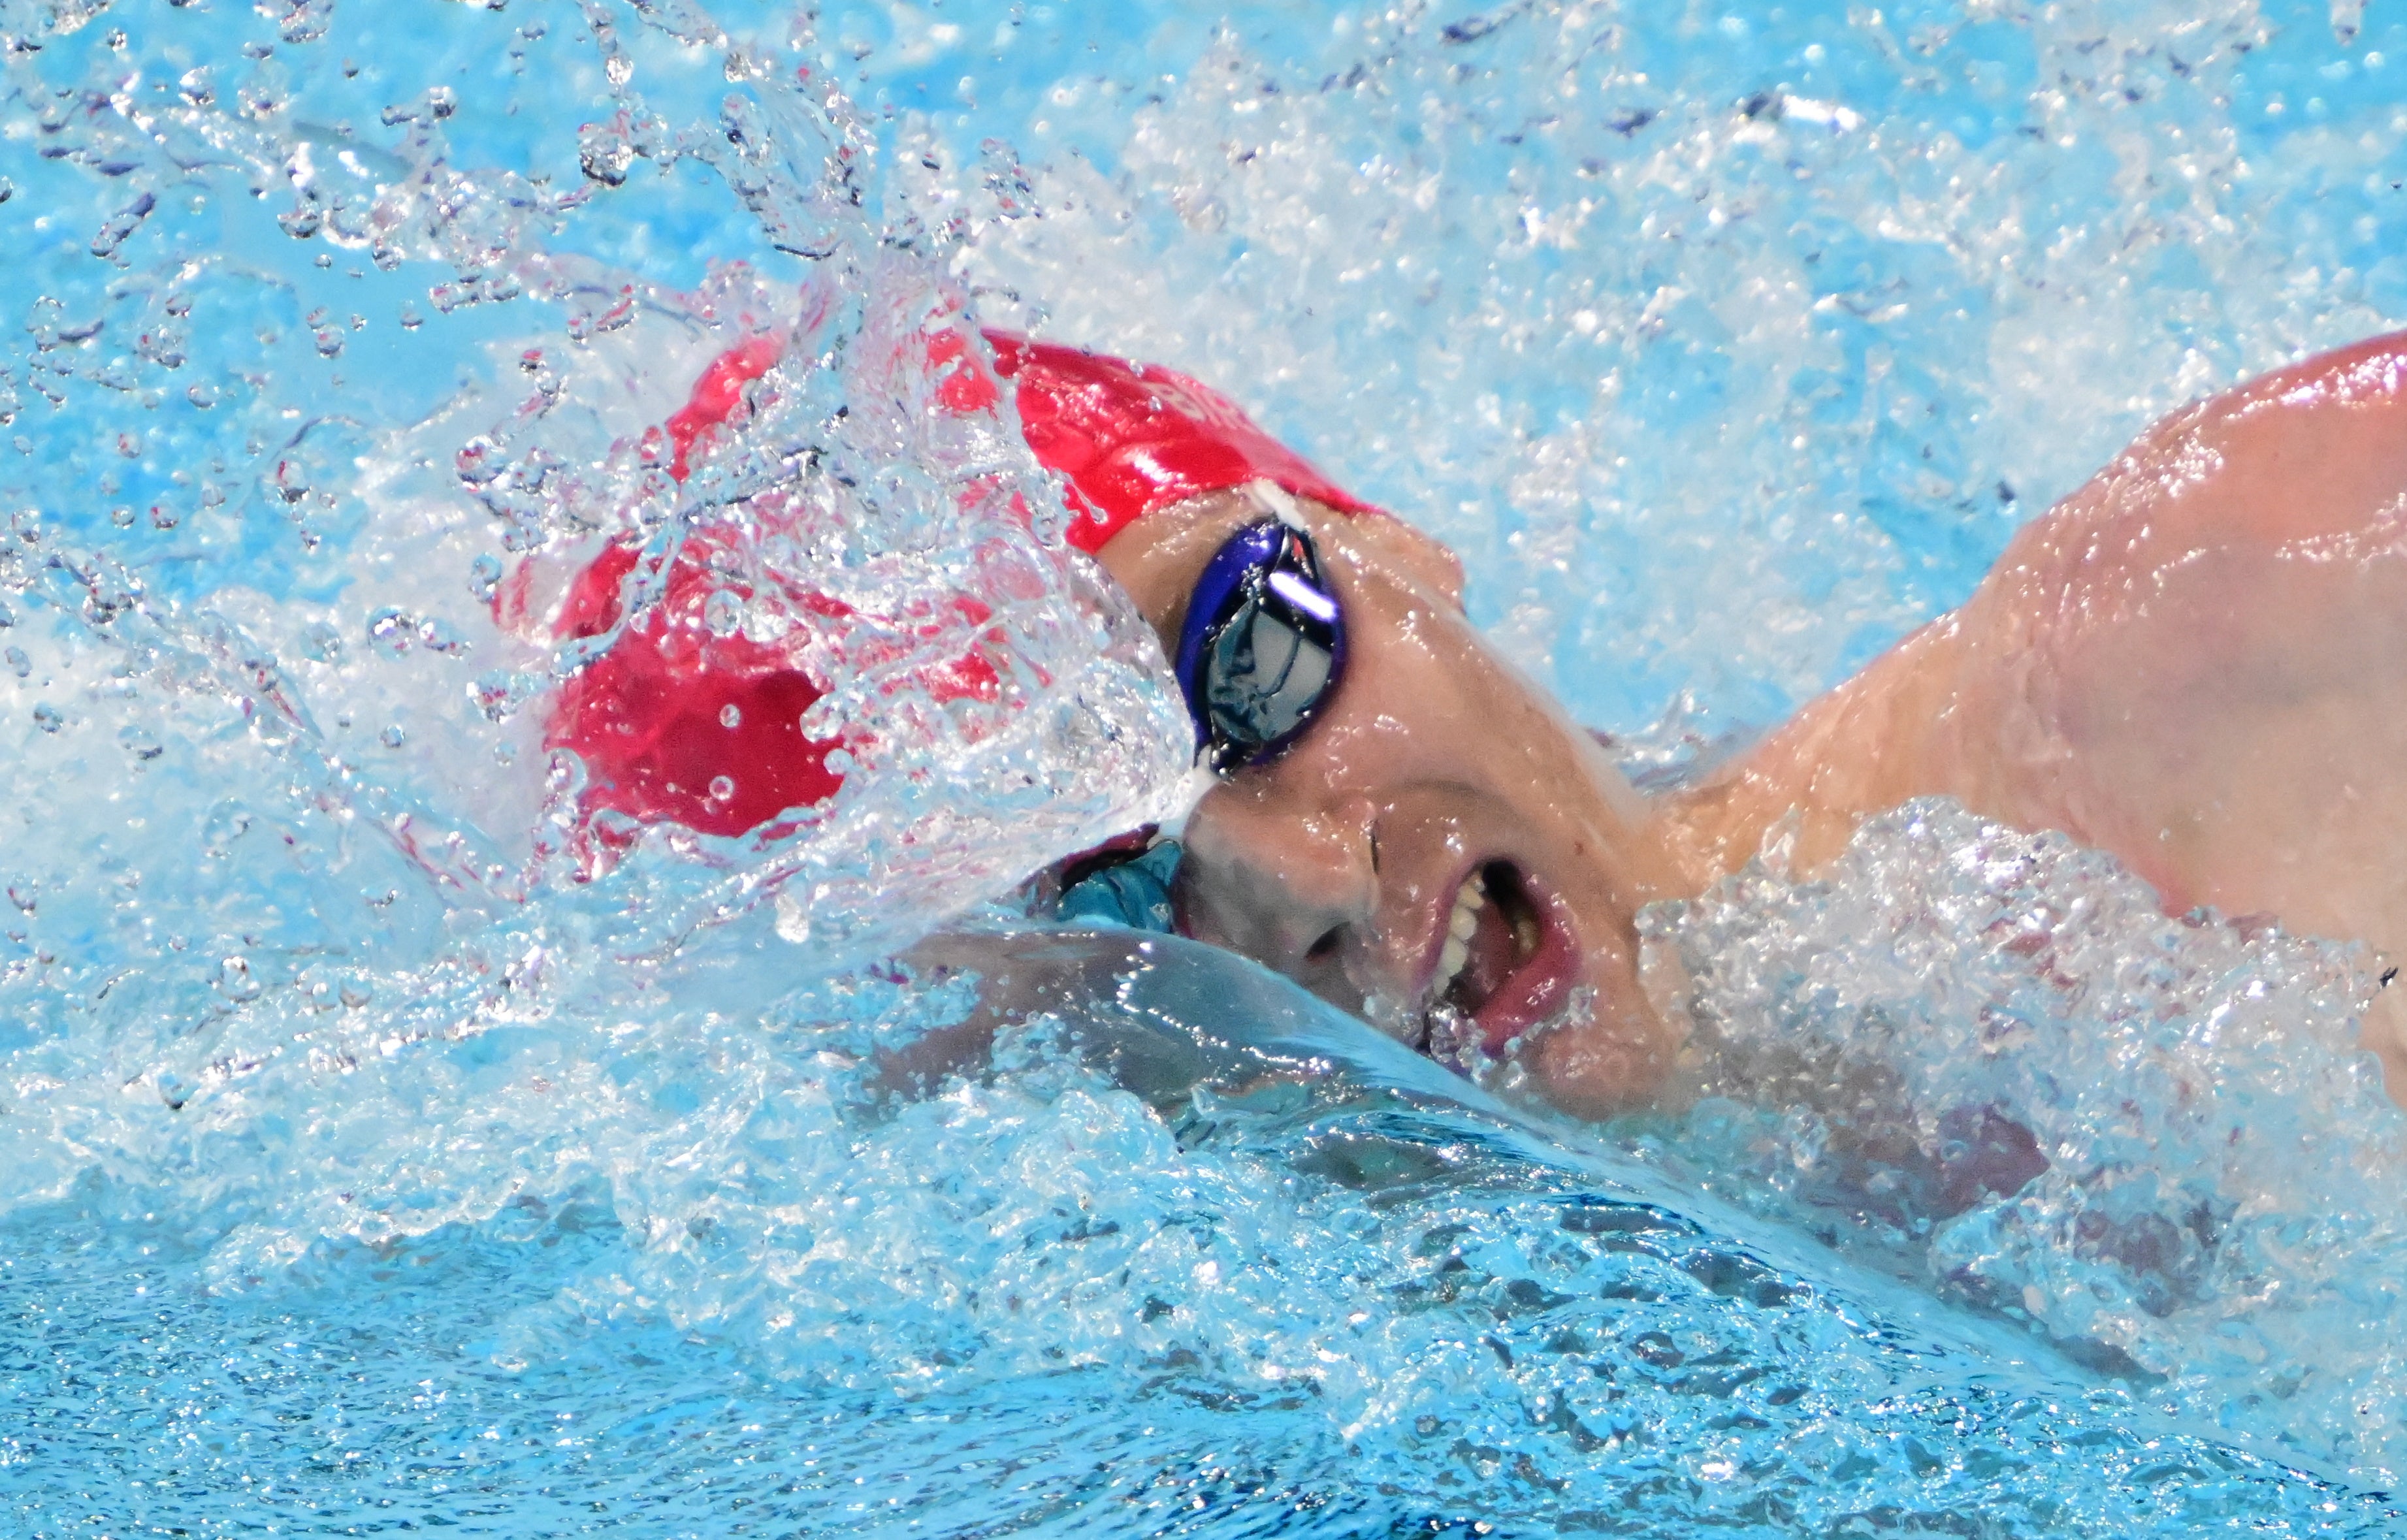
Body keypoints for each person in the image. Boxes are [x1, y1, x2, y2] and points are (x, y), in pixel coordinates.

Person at [545, 324, 2407, 1117]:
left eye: (1248, 670)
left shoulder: (2235, 641)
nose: (1292, 882)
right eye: (1101, 892)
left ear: (1391, 551)